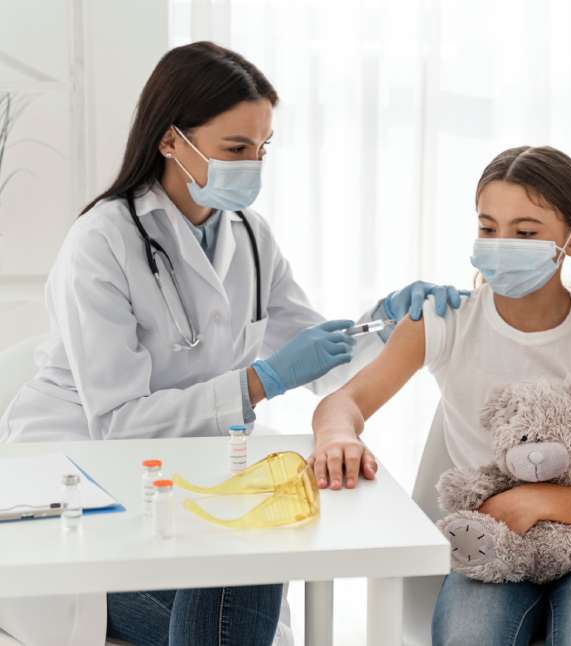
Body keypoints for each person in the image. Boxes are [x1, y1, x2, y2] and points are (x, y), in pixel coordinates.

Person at [0, 42, 464, 646]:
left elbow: (318, 356)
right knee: (239, 609)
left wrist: (389, 322)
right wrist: (259, 382)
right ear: (171, 141)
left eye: (262, 149)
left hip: (184, 477)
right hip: (81, 493)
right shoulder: (102, 242)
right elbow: (118, 423)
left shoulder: (248, 236)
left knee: (251, 568)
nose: (254, 165)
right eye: (236, 149)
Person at [308, 145, 571, 645]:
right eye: (488, 228)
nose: (502, 244)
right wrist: (336, 436)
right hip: (493, 549)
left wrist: (539, 499)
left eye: (524, 233)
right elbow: (342, 403)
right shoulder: (445, 322)